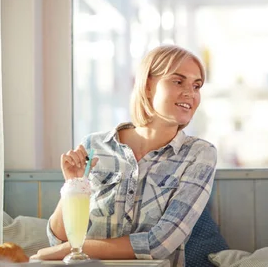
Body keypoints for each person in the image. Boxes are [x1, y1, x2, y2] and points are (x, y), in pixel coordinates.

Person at [32, 45, 217, 267]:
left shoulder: (199, 154)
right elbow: (60, 238)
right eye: (178, 81)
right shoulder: (94, 145)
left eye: (196, 85)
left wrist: (77, 249)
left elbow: (159, 245)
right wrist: (74, 184)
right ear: (147, 85)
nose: (190, 93)